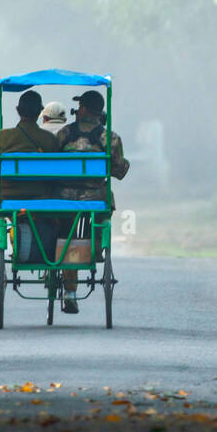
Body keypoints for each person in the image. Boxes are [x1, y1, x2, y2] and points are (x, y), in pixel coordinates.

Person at [55, 90, 129, 313]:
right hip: (95, 198)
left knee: (67, 234)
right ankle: (94, 248)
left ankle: (70, 290)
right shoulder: (110, 138)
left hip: (64, 199)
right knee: (101, 212)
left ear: (84, 109)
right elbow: (118, 171)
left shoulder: (63, 134)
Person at [0, 89, 61, 266]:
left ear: (18, 110)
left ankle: (17, 242)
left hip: (9, 199)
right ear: (40, 113)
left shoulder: (2, 137)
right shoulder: (49, 140)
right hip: (40, 199)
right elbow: (56, 174)